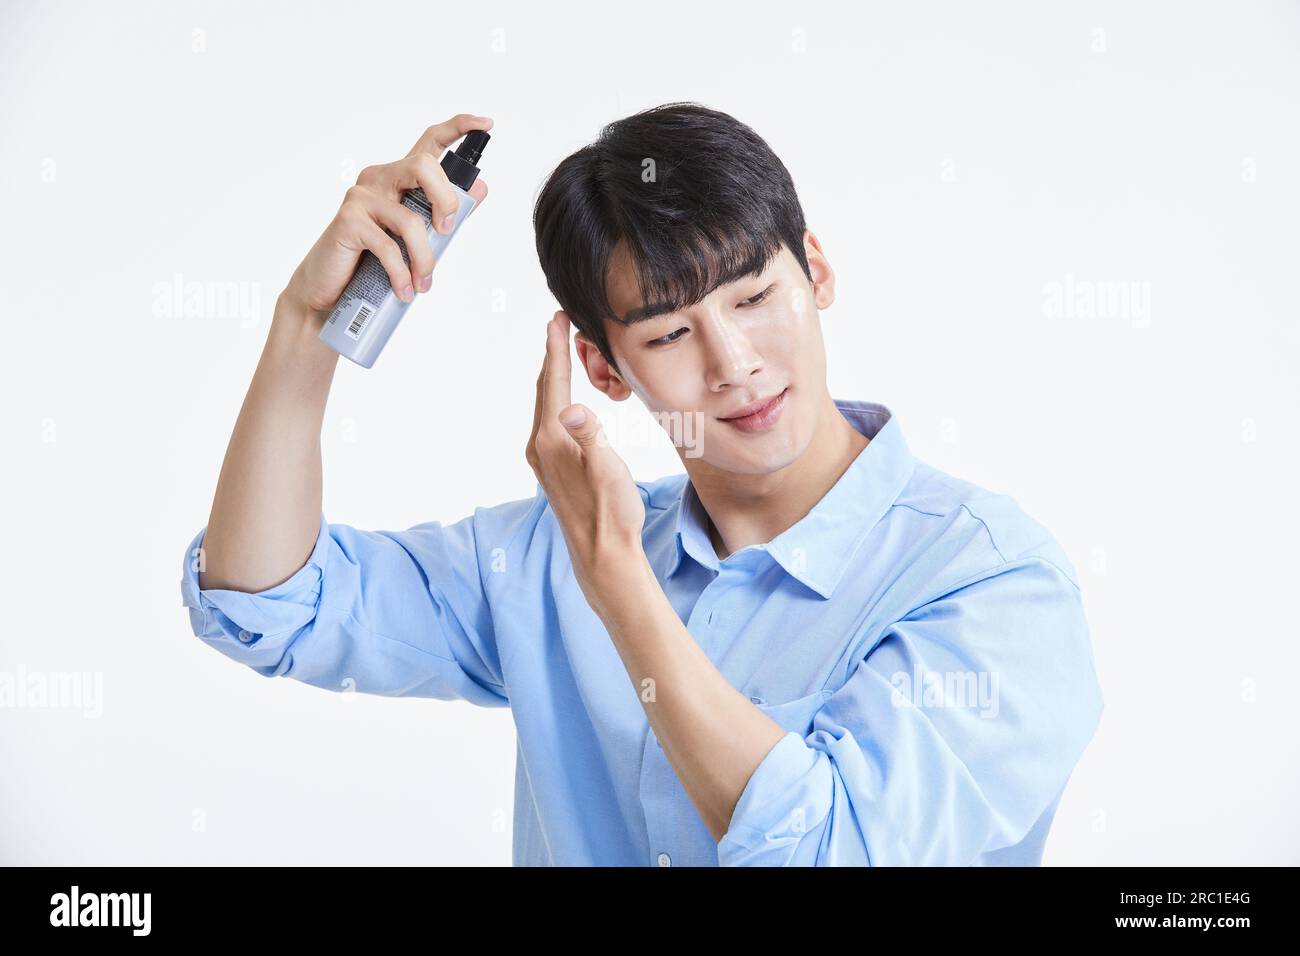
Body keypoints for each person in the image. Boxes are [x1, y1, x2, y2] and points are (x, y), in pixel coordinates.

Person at [181, 103, 1104, 866]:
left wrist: (618, 581)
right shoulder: (553, 555)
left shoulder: (992, 583)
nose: (735, 364)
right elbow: (268, 602)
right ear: (604, 366)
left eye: (754, 297)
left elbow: (827, 848)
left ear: (815, 271)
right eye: (668, 335)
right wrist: (305, 330)